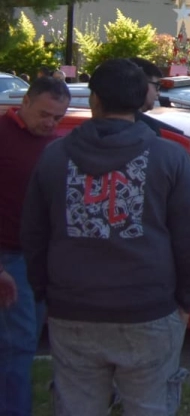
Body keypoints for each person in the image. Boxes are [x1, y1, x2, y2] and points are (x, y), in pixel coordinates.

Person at [21, 59, 190, 416]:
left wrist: (45, 291)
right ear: (140, 102)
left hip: (73, 308)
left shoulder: (54, 157)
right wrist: (186, 299)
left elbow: (33, 235)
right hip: (148, 309)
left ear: (94, 100)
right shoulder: (168, 157)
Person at [0, 76, 69, 416]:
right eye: (44, 114)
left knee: (23, 344)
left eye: (57, 117)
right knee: (16, 346)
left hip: (38, 259)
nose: (50, 123)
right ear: (25, 103)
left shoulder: (54, 145)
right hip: (8, 256)